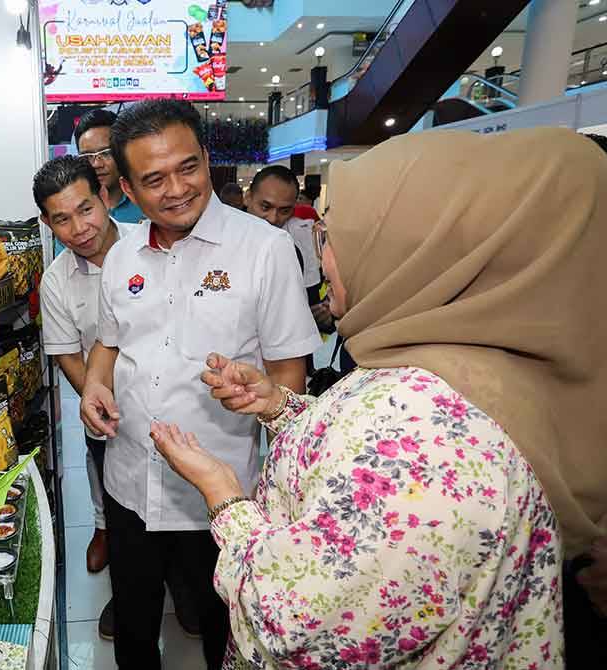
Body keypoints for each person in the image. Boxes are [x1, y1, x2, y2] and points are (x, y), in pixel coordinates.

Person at [150, 127, 607, 668]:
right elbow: (363, 454)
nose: (324, 257)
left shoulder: (418, 445)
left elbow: (292, 624)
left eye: (332, 236)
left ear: (415, 254)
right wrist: (281, 407)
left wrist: (224, 496)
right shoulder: (463, 361)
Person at [80, 99, 321, 670]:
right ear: (127, 190)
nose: (177, 190)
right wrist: (93, 385)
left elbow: (289, 375)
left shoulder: (264, 250)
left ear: (207, 159)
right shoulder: (121, 257)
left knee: (224, 633)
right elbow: (109, 343)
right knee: (135, 626)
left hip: (220, 497)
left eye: (188, 167)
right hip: (129, 481)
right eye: (154, 179)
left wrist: (263, 408)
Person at [34, 156, 136, 639]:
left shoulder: (149, 245)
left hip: (172, 406)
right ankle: (122, 574)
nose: (79, 229)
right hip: (109, 413)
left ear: (106, 197)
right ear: (47, 222)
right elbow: (66, 355)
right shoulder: (56, 280)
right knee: (117, 500)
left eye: (86, 209)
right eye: (62, 219)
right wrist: (97, 401)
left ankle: (187, 588)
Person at [246, 165, 333, 334]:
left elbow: (310, 305)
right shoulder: (220, 241)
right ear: (248, 197)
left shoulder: (293, 249)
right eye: (265, 207)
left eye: (284, 211)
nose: (273, 218)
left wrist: (324, 317)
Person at [74, 109, 145, 224]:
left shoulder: (146, 201)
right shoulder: (73, 209)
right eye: (87, 156)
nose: (96, 164)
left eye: (106, 153)